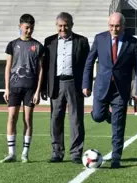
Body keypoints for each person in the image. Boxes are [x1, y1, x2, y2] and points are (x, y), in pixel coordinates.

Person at [82, 12, 137, 168]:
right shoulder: (99, 38)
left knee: (118, 125)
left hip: (121, 90)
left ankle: (116, 157)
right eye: (111, 26)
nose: (114, 29)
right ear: (108, 25)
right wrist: (86, 84)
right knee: (97, 116)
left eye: (117, 26)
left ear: (123, 26)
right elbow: (89, 62)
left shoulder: (133, 43)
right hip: (102, 86)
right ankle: (108, 116)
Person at [41, 12, 90, 164]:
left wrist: (87, 85)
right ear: (57, 26)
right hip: (56, 84)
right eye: (60, 26)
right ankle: (57, 152)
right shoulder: (48, 42)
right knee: (55, 119)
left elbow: (87, 66)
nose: (63, 29)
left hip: (74, 84)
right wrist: (44, 87)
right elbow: (45, 66)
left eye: (66, 25)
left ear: (71, 25)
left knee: (76, 120)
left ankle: (76, 153)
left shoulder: (82, 41)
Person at [1, 14, 44, 163]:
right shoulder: (12, 45)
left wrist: (38, 91)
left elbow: (40, 70)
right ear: (20, 26)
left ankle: (25, 153)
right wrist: (6, 88)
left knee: (27, 119)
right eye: (26, 27)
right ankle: (11, 153)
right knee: (12, 117)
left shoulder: (38, 46)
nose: (29, 30)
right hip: (14, 87)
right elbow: (8, 67)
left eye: (31, 27)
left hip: (30, 89)